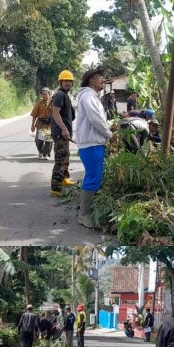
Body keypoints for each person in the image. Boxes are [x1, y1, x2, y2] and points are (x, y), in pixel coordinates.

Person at [75, 67, 113, 227]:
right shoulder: (88, 96)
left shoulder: (90, 96)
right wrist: (109, 134)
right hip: (92, 144)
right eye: (100, 78)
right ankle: (84, 215)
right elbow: (96, 119)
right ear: (91, 80)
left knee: (92, 177)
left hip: (92, 143)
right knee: (93, 178)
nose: (102, 80)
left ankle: (87, 211)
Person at [50, 70, 76, 196]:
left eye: (70, 81)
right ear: (61, 82)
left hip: (64, 133)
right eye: (65, 81)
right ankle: (55, 188)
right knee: (60, 159)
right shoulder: (60, 95)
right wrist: (64, 129)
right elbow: (55, 113)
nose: (68, 83)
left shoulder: (65, 95)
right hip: (60, 133)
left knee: (65, 157)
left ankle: (64, 179)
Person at [30, 87, 54, 159]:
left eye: (46, 94)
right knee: (38, 141)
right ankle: (40, 151)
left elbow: (56, 114)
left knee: (48, 141)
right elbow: (34, 115)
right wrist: (32, 125)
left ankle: (46, 154)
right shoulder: (39, 104)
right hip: (40, 124)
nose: (44, 96)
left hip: (49, 125)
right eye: (43, 94)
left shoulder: (52, 103)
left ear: (49, 94)